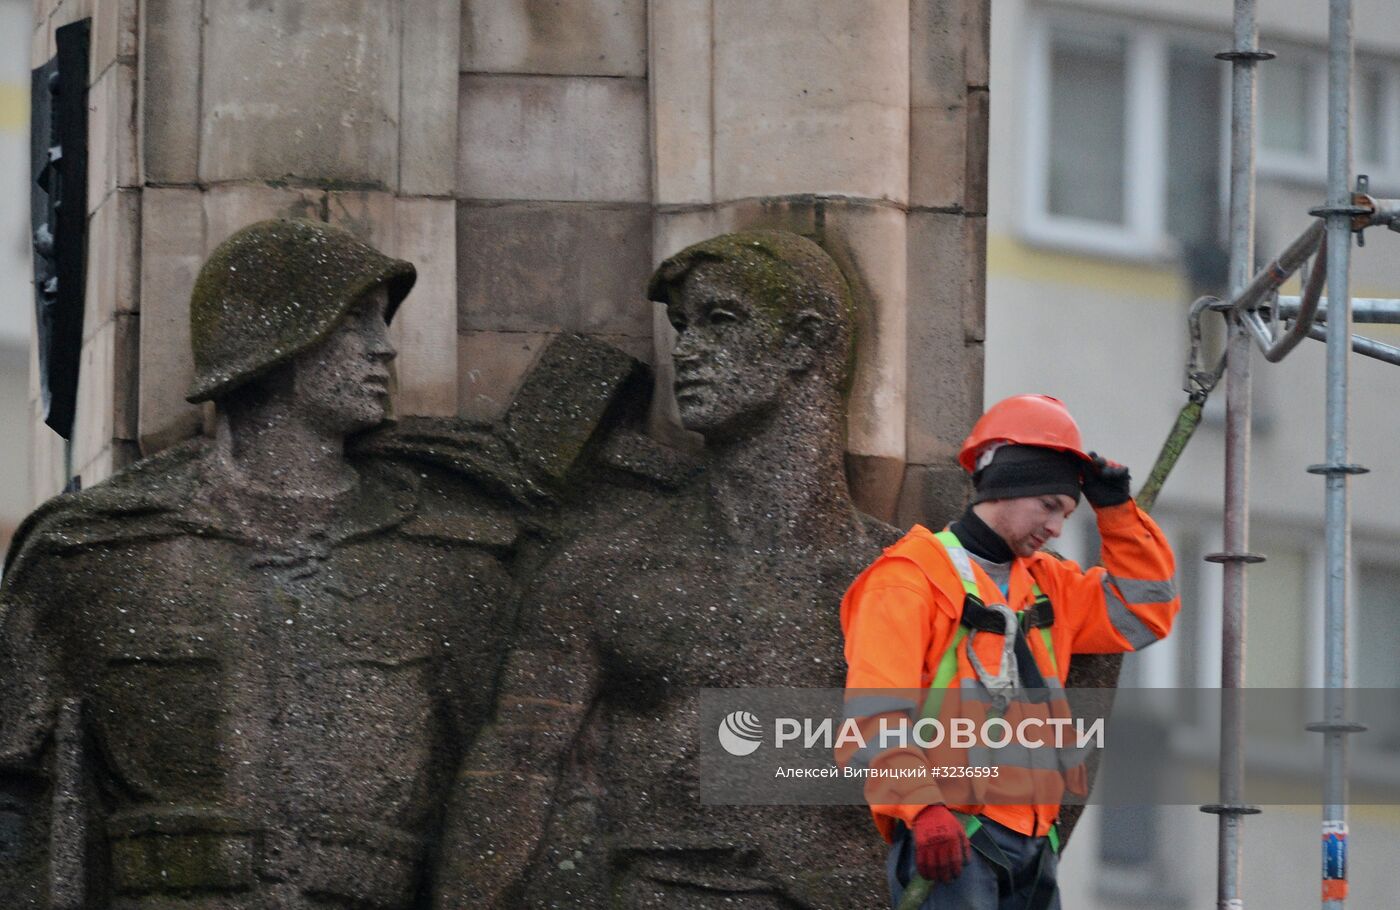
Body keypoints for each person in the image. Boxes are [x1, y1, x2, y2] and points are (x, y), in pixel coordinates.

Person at [0, 218, 518, 908]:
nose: (385, 350)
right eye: (354, 323)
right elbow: (23, 804)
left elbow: (516, 788)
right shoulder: (93, 554)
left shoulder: (452, 562)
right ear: (278, 344)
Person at [437, 230, 892, 907]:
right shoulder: (604, 568)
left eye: (720, 320)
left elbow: (1013, 779)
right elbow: (513, 773)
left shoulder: (915, 576)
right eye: (681, 325)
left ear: (804, 343)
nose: (687, 349)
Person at [838, 394, 1181, 910]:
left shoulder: (1049, 585)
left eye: (1066, 513)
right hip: (953, 837)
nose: (1057, 528)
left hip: (1035, 844)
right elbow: (874, 715)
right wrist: (922, 808)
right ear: (1007, 487)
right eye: (1049, 507)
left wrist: (1117, 514)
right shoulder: (911, 578)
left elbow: (1146, 609)